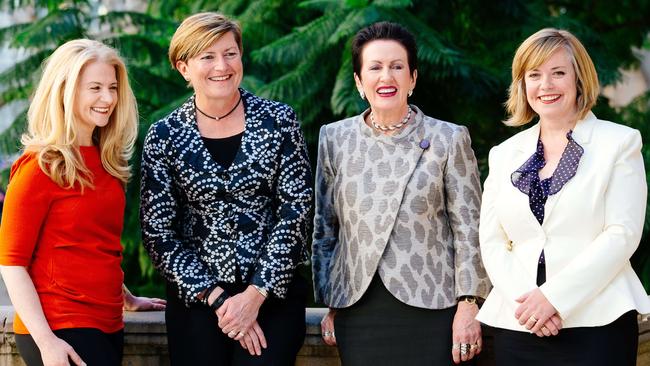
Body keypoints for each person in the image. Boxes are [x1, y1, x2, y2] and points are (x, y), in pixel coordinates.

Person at [312, 21, 491, 365]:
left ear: (412, 78)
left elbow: (469, 228)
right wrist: (331, 303)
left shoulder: (448, 138)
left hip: (433, 305)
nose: (386, 77)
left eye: (397, 67)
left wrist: (469, 304)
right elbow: (326, 227)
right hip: (358, 310)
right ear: (358, 81)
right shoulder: (334, 139)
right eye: (375, 67)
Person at [140, 12, 312, 366]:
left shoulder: (279, 120)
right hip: (198, 299)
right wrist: (219, 300)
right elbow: (158, 232)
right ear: (183, 67)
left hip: (272, 293)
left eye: (230, 53)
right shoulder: (164, 136)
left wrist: (254, 296)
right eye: (208, 56)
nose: (222, 65)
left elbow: (297, 211)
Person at [477, 28, 650, 366]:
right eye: (535, 75)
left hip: (598, 324)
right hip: (520, 324)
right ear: (522, 84)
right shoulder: (504, 154)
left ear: (579, 79)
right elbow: (492, 241)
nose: (546, 85)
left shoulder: (620, 143)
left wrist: (554, 299)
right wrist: (528, 305)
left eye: (558, 73)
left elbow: (622, 233)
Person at [0, 39, 165, 366]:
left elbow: (94, 245)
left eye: (112, 87)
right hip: (61, 327)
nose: (108, 99)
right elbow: (11, 264)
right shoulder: (40, 167)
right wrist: (47, 343)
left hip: (106, 322)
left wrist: (126, 297)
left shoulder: (107, 162)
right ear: (65, 90)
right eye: (95, 88)